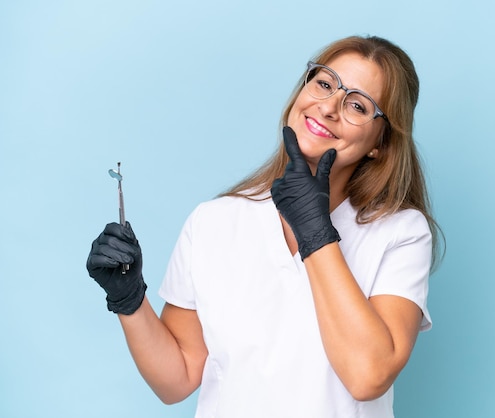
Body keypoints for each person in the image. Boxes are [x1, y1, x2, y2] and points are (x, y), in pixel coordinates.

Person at [87, 35, 442, 418]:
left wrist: (315, 232)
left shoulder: (402, 232)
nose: (328, 108)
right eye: (324, 83)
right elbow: (179, 379)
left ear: (380, 143)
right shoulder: (214, 220)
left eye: (357, 105)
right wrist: (130, 301)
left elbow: (368, 376)